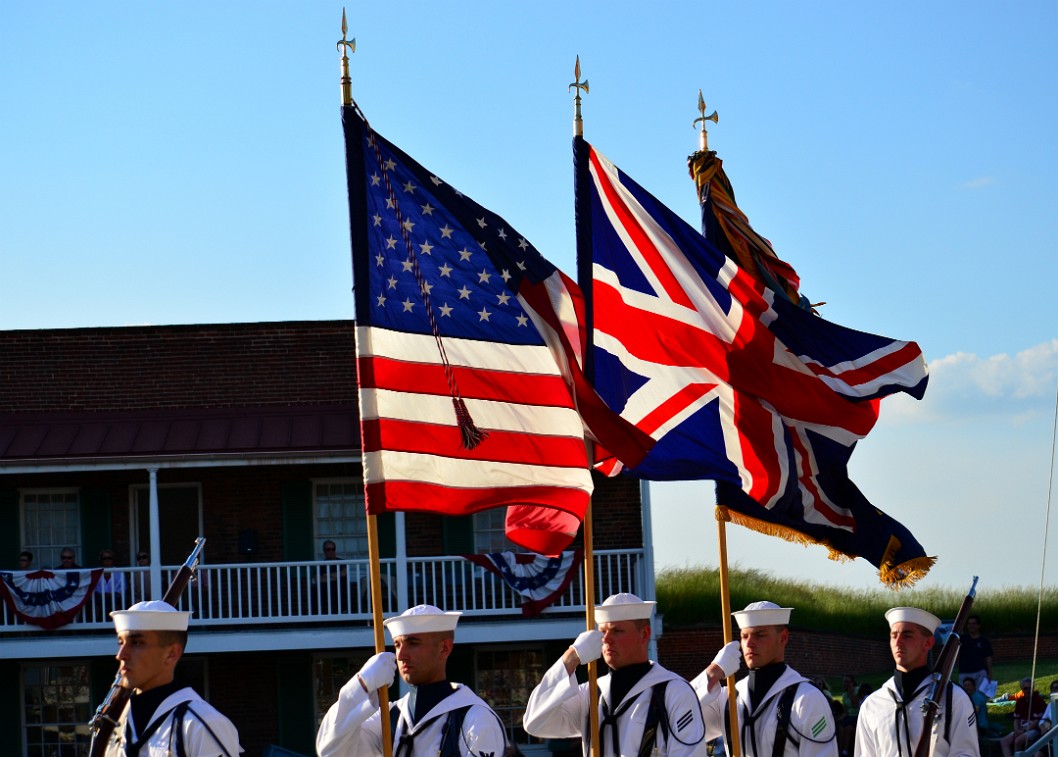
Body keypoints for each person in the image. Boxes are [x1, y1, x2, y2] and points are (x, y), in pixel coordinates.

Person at [524, 592, 707, 757]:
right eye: (602, 631)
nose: (606, 639)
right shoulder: (591, 693)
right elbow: (535, 722)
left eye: (617, 631)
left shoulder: (674, 692)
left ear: (644, 634)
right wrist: (570, 658)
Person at [316, 604, 507, 757]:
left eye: (413, 643)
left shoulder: (475, 718)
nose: (400, 655)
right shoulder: (389, 717)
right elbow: (331, 750)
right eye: (397, 645)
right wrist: (360, 685)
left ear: (444, 649)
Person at [692, 601, 838, 757]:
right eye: (744, 636)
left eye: (759, 635)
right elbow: (670, 722)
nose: (749, 643)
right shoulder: (728, 699)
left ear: (783, 638)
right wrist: (712, 673)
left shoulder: (807, 699)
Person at [100, 599, 242, 756]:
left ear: (171, 653)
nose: (121, 655)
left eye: (137, 643)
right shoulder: (117, 723)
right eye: (121, 642)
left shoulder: (202, 724)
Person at [855, 607, 978, 757]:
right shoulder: (872, 705)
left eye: (907, 635)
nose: (898, 642)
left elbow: (967, 753)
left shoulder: (954, 698)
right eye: (894, 636)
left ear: (928, 643)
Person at [998, 678, 1047, 757]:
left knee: (1018, 741)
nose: (1028, 690)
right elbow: (1016, 719)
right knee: (1004, 741)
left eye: (1030, 688)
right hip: (1021, 728)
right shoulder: (1020, 701)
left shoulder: (1038, 700)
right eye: (1025, 688)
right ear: (1022, 689)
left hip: (1033, 728)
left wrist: (1023, 730)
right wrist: (1017, 729)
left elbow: (1037, 721)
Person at [958, 615, 994, 693]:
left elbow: (988, 657)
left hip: (980, 672)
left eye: (974, 624)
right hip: (964, 672)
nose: (971, 626)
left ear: (978, 626)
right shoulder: (962, 639)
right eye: (969, 624)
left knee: (980, 695)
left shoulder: (984, 641)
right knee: (964, 695)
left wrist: (990, 674)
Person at [95, 548, 127, 614]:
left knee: (116, 602)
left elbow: (122, 588)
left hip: (115, 596)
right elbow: (95, 588)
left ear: (113, 559)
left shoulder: (119, 572)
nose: (107, 560)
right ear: (101, 560)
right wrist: (102, 594)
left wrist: (112, 594)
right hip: (100, 597)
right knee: (95, 602)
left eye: (109, 558)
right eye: (104, 558)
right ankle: (96, 623)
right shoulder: (97, 572)